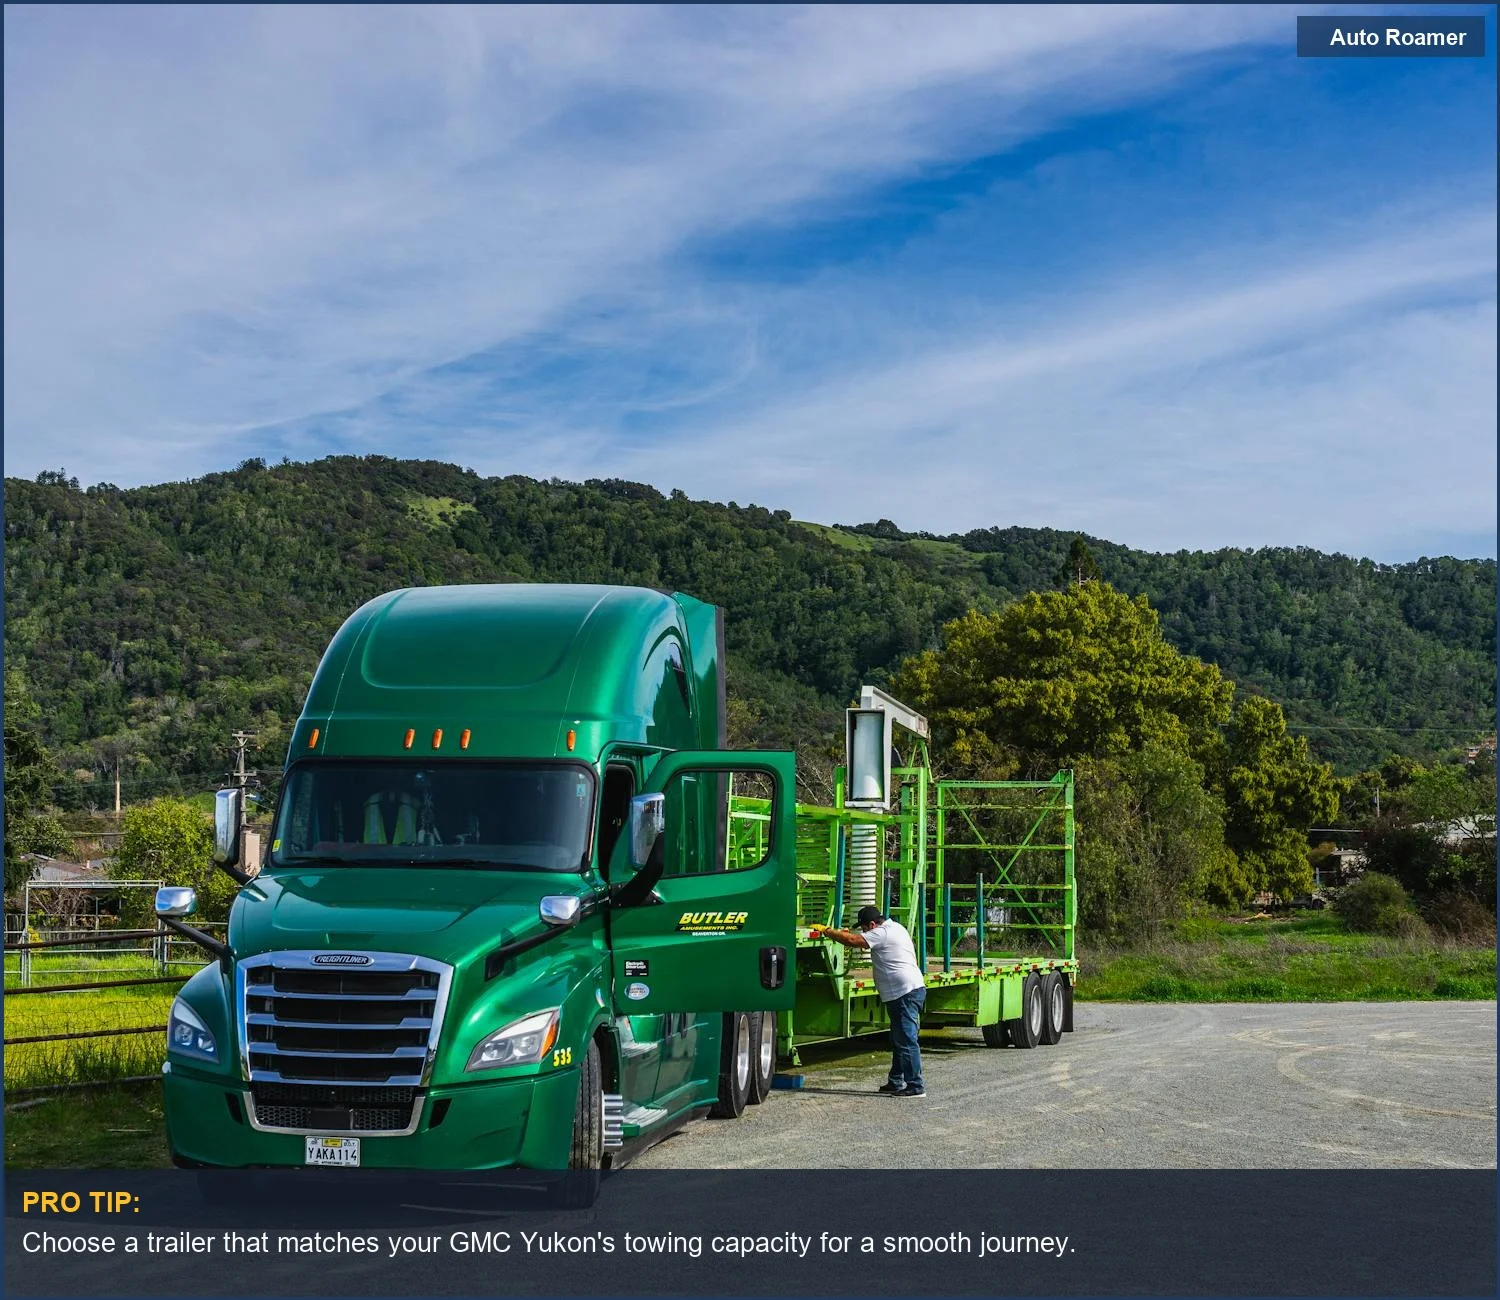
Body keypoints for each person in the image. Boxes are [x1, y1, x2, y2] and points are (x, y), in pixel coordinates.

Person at [817, 905, 927, 1097]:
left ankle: (915, 1086)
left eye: (864, 928)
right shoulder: (895, 928)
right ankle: (896, 1081)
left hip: (904, 993)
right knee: (900, 1038)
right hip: (908, 990)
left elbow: (853, 941)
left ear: (873, 924)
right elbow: (856, 937)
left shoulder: (882, 933)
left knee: (906, 1040)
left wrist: (827, 932)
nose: (864, 932)